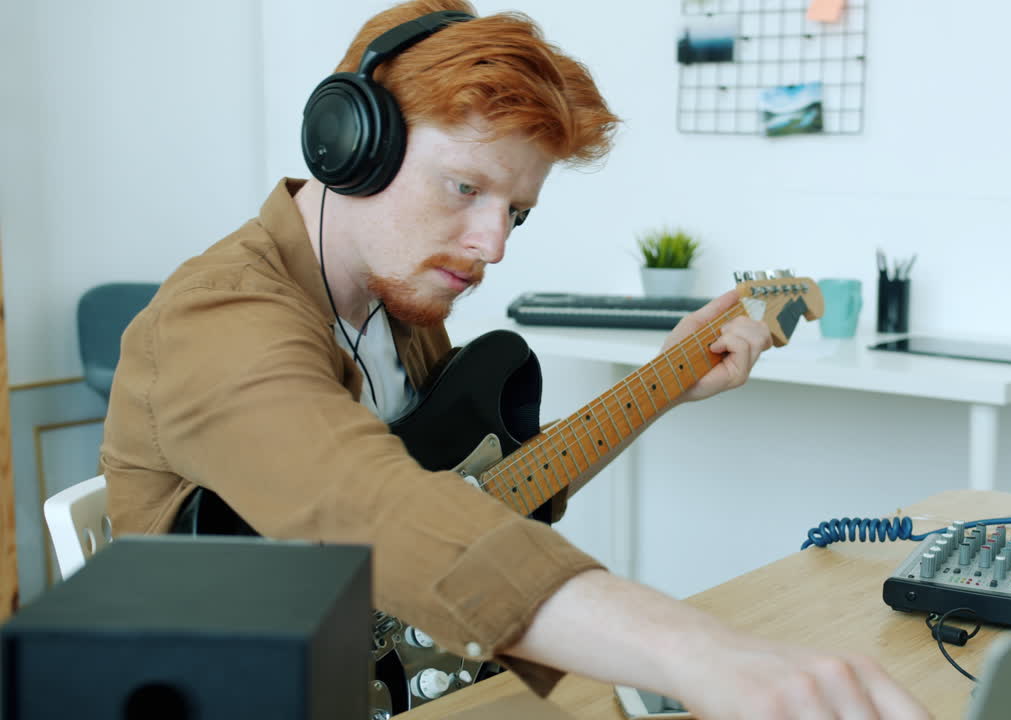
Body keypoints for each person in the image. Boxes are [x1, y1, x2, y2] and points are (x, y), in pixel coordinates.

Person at [101, 2, 929, 718]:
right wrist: (704, 654)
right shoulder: (218, 316)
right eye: (466, 188)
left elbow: (474, 494)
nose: (492, 244)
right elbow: (373, 508)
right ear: (353, 145)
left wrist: (666, 383)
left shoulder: (400, 308)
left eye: (516, 213)